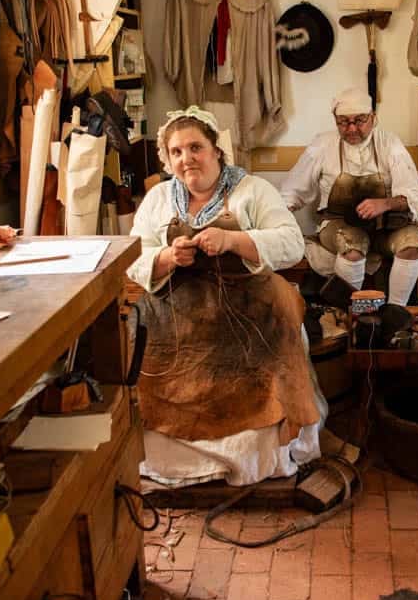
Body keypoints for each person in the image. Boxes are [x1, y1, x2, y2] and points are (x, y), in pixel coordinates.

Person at [126, 105, 325, 487]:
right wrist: (168, 257)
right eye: (177, 152)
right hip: (179, 317)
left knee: (269, 355)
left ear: (216, 150)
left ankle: (257, 462)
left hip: (248, 312)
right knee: (145, 352)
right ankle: (178, 465)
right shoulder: (158, 199)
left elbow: (291, 244)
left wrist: (234, 239)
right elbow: (135, 253)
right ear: (168, 159)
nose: (187, 159)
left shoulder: (252, 190)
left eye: (196, 147)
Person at [281, 87, 418, 306]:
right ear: (335, 120)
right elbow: (293, 190)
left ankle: (395, 312)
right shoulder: (323, 145)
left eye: (359, 120)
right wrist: (277, 218)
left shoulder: (390, 144)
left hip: (384, 227)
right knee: (353, 243)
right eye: (344, 122)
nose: (351, 128)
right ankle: (348, 313)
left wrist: (386, 203)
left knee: (411, 242)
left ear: (373, 118)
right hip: (337, 225)